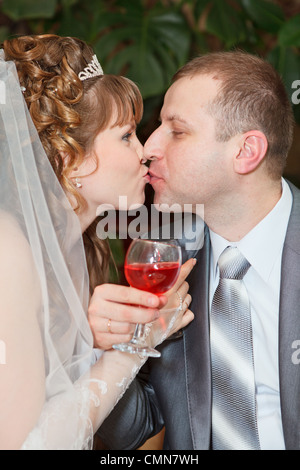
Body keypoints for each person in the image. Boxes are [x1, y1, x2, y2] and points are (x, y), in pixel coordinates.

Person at [95, 51, 300, 450]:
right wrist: (111, 349)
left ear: (246, 152)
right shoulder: (158, 256)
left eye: (177, 130)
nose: (148, 148)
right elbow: (132, 429)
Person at [0, 34, 195, 450]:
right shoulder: (11, 253)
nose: (144, 152)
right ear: (70, 159)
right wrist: (141, 339)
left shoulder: (84, 245)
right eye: (126, 136)